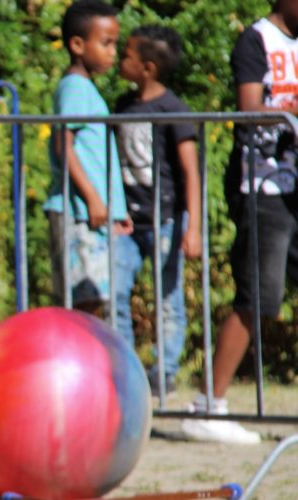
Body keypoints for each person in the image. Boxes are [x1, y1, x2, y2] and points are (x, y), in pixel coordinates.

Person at [181, 0, 298, 445]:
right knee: (258, 297)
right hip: (261, 188)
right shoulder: (256, 40)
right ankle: (207, 405)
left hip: (294, 189)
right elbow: (249, 107)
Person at [112, 25, 200, 397]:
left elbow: (190, 171)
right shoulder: (122, 106)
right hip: (127, 222)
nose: (120, 60)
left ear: (147, 67)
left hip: (165, 219)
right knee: (115, 292)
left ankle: (163, 371)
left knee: (168, 299)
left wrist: (192, 226)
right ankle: (121, 370)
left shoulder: (173, 109)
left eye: (126, 55)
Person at [44, 0, 130, 319]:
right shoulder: (75, 88)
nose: (112, 52)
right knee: (84, 300)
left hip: (90, 212)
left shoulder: (84, 88)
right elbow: (62, 146)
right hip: (79, 211)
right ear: (77, 45)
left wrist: (114, 209)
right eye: (106, 43)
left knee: (95, 296)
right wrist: (94, 199)